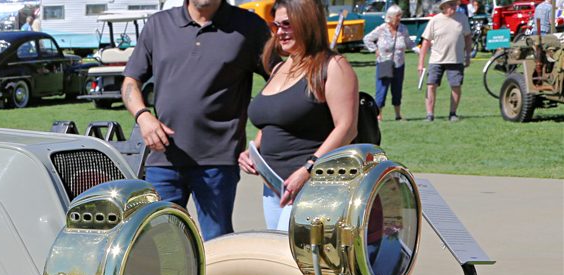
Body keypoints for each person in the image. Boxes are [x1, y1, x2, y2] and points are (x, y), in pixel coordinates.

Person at [121, 0, 269, 241]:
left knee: (217, 243)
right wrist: (143, 116)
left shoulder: (249, 26)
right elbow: (131, 81)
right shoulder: (159, 25)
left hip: (218, 160)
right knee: (159, 242)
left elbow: (281, 79)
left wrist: (260, 138)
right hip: (163, 158)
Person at [242, 0, 357, 231]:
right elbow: (271, 121)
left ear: (307, 23)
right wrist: (252, 150)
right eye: (276, 26)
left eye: (287, 25)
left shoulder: (333, 66)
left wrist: (308, 169)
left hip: (311, 186)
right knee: (280, 257)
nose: (280, 33)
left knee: (292, 255)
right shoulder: (278, 69)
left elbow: (346, 128)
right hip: (274, 187)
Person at [417, 0, 469, 122]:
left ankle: (453, 113)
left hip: (456, 59)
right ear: (444, 7)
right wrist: (421, 63)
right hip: (436, 59)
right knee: (431, 86)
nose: (454, 7)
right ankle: (429, 114)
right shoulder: (435, 20)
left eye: (455, 4)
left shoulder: (462, 18)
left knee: (456, 86)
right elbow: (425, 42)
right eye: (451, 5)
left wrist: (467, 56)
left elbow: (468, 37)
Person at [364, 6, 411, 120]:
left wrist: (419, 49)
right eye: (397, 16)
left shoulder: (403, 29)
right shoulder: (381, 29)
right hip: (384, 63)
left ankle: (398, 115)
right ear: (390, 17)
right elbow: (367, 39)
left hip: (399, 64)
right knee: (382, 90)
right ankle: (378, 115)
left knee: (397, 89)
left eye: (400, 15)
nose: (400, 18)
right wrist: (375, 49)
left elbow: (409, 42)